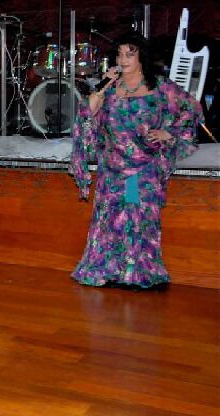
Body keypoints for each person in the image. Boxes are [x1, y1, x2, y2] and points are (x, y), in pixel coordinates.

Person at [70, 31, 204, 289]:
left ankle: (136, 273)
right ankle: (108, 271)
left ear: (142, 56)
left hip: (141, 168)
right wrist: (104, 85)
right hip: (112, 167)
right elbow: (87, 112)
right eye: (119, 54)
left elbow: (192, 108)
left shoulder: (159, 86)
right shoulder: (111, 87)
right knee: (109, 219)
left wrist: (169, 132)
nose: (123, 59)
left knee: (135, 217)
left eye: (129, 54)